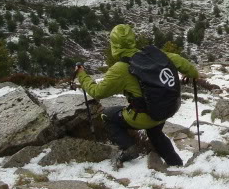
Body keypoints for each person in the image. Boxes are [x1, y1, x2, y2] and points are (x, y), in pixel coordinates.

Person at [75, 24, 200, 169]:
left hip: (145, 116)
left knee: (107, 115)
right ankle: (176, 164)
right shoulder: (153, 55)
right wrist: (193, 74)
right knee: (155, 133)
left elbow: (97, 92)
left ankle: (129, 147)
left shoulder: (121, 68)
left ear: (114, 45)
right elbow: (180, 61)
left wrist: (81, 75)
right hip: (163, 109)